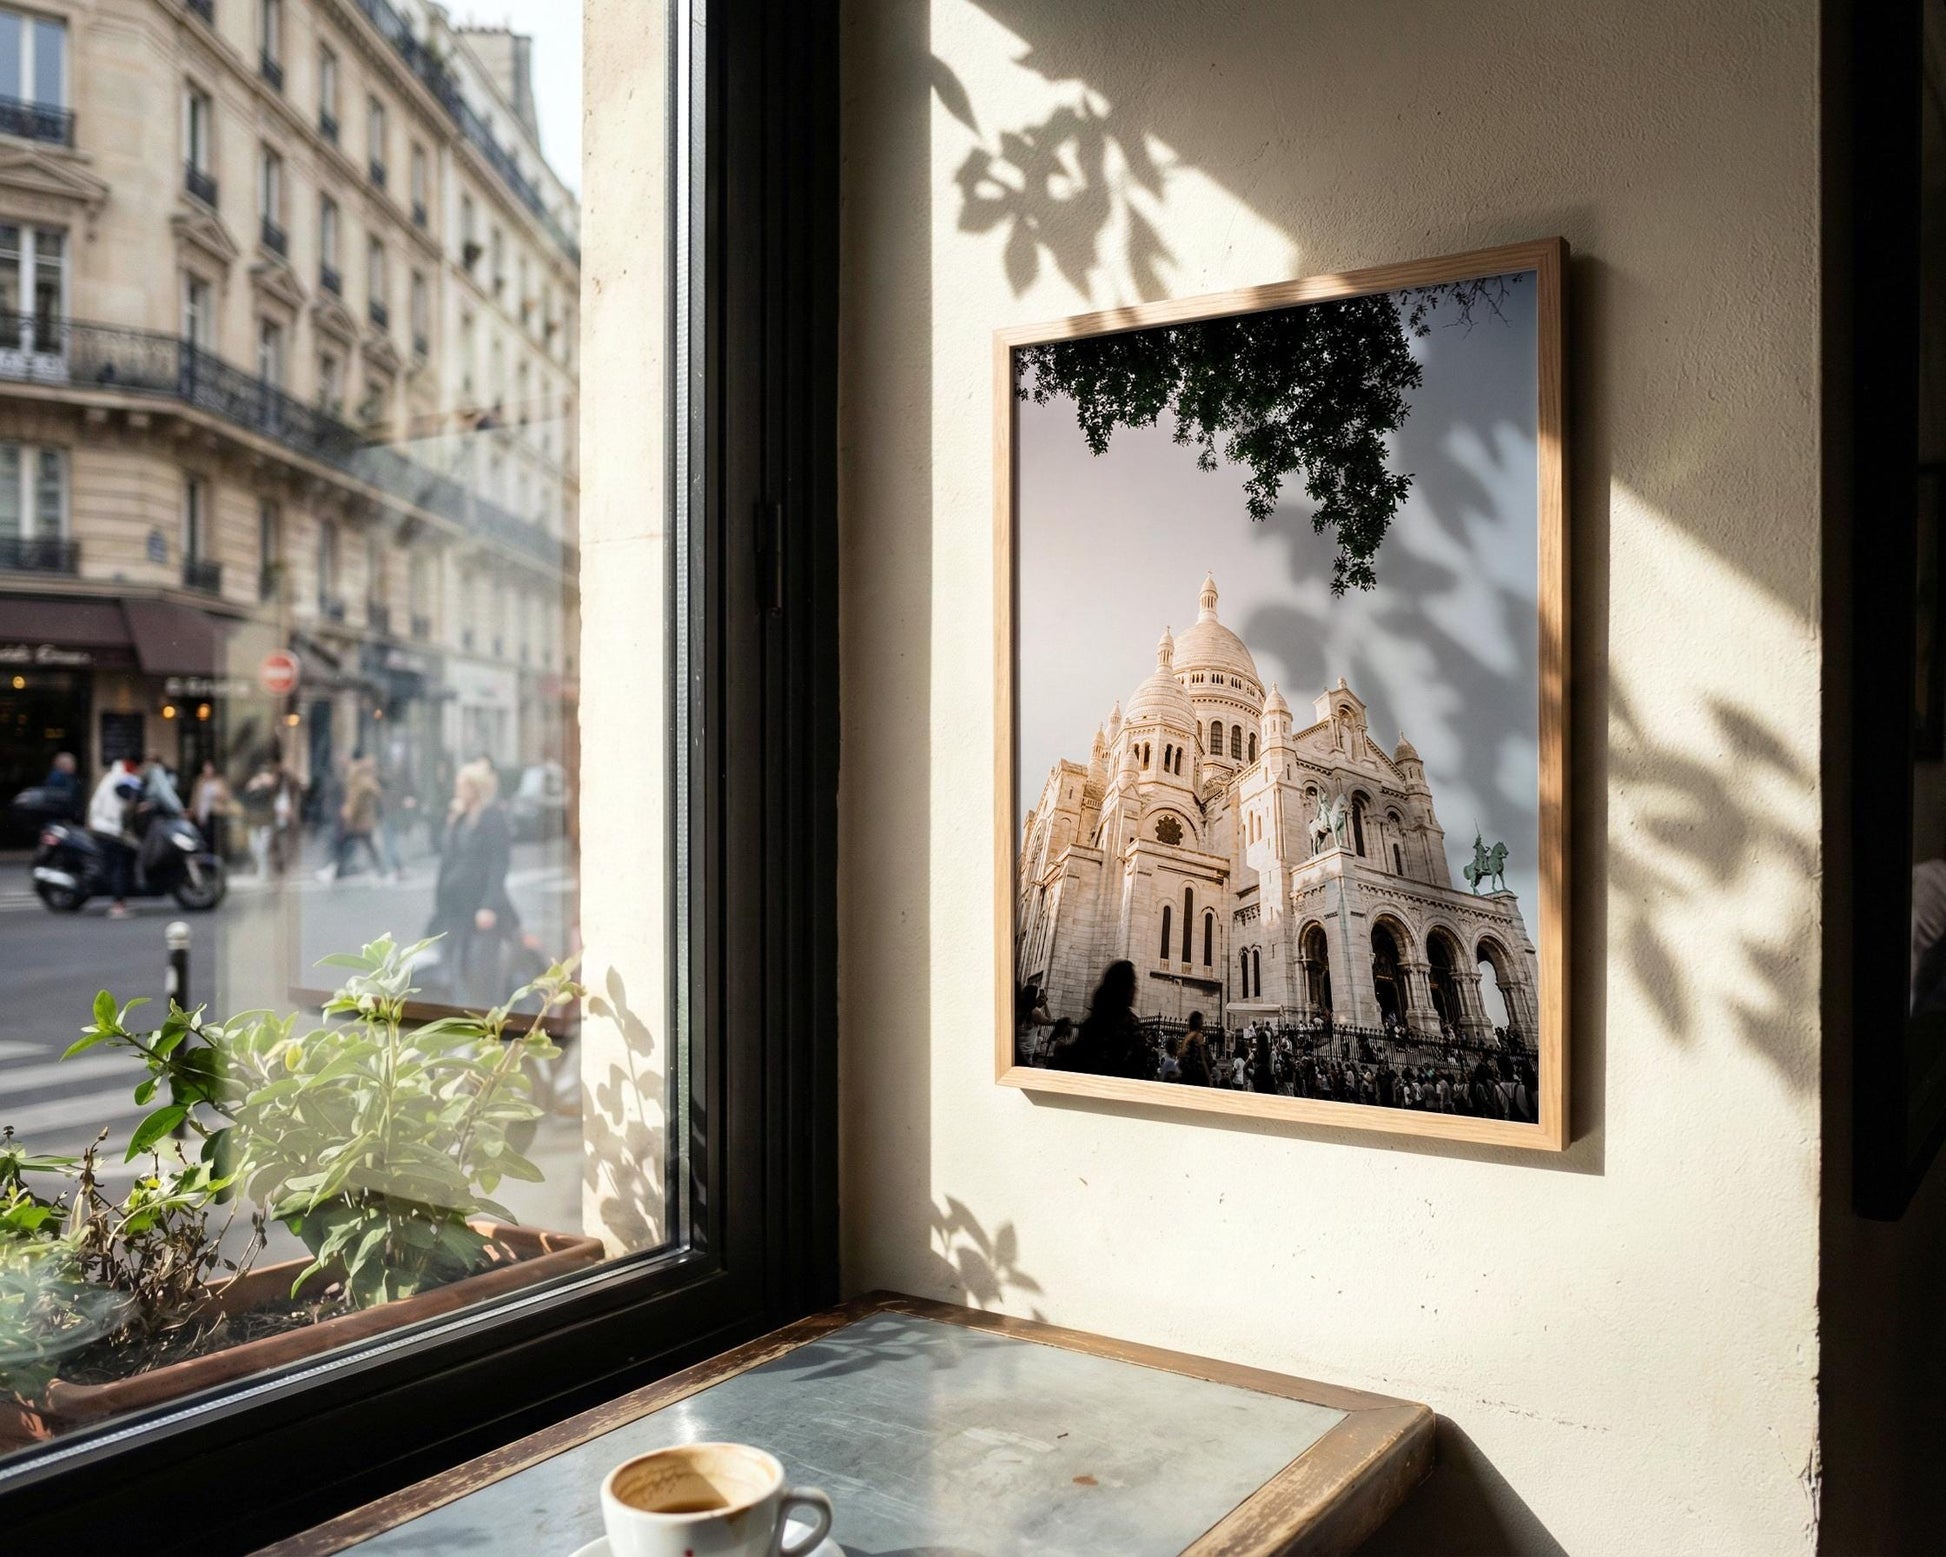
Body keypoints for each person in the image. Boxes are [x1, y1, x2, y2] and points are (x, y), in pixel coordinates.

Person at [424, 759, 520, 1003]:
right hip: (456, 907)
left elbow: (499, 864)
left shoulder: (491, 818)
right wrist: (451, 822)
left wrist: (488, 905)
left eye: (461, 785)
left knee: (481, 970)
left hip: (480, 907)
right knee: (454, 964)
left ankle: (487, 1020)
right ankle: (464, 1016)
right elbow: (445, 852)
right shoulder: (460, 816)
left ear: (475, 788)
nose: (457, 790)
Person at [1053, 960, 1139, 1078]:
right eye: (1133, 983)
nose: (1136, 989)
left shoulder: (1092, 1023)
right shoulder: (1131, 1029)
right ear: (1125, 988)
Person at [85, 759, 143, 918]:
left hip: (100, 826)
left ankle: (121, 900)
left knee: (116, 864)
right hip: (110, 829)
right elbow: (131, 793)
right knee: (118, 866)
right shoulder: (123, 779)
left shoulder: (110, 777)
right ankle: (118, 905)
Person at [321, 753, 387, 883]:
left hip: (359, 819)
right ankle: (338, 870)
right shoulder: (362, 777)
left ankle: (337, 870)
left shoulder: (359, 777)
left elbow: (357, 797)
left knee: (345, 843)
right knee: (352, 843)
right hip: (361, 818)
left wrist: (349, 810)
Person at [190, 760, 233, 856]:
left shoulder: (219, 781)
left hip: (215, 813)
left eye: (209, 768)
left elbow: (227, 797)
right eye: (205, 768)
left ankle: (215, 858)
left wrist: (218, 795)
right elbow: (195, 797)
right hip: (202, 814)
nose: (207, 771)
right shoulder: (200, 780)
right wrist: (193, 810)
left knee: (214, 838)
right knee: (203, 837)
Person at [1180, 1011, 1212, 1087]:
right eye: (1202, 1020)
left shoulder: (1187, 1036)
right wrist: (1209, 1078)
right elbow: (1202, 1058)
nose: (1203, 1023)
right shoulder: (1199, 1036)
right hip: (1198, 1075)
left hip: (1187, 1074)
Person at [42, 752, 79, 818]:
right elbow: (51, 793)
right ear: (63, 765)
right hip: (57, 813)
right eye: (71, 764)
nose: (74, 766)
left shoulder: (68, 776)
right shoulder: (57, 776)